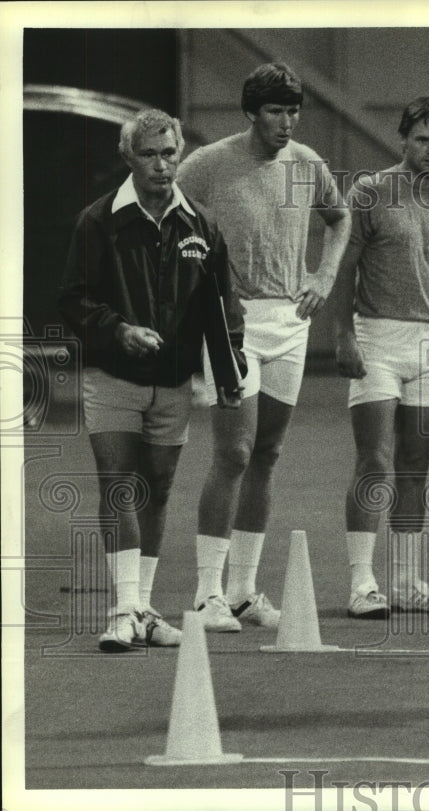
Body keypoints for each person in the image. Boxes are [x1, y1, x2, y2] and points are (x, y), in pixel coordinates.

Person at [58, 108, 245, 652]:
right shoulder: (98, 221)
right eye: (149, 154)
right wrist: (118, 331)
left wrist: (230, 369)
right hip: (112, 373)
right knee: (119, 482)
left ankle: (143, 606)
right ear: (128, 158)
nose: (162, 166)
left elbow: (222, 309)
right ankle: (123, 609)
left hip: (173, 382)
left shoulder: (202, 225)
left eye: (169, 153)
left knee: (158, 488)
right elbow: (71, 298)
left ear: (180, 153)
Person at [177, 63, 351, 631]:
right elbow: (170, 223)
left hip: (290, 322)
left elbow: (339, 217)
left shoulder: (306, 165)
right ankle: (207, 596)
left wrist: (323, 276)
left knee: (267, 455)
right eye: (275, 111)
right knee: (233, 452)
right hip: (233, 325)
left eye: (293, 111)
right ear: (252, 112)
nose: (286, 121)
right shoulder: (207, 164)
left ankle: (245, 591)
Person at [331, 96, 429, 618]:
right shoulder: (371, 191)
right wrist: (343, 335)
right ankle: (361, 583)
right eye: (422, 140)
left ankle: (408, 582)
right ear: (403, 139)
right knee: (375, 461)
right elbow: (344, 266)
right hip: (378, 339)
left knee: (415, 468)